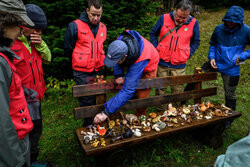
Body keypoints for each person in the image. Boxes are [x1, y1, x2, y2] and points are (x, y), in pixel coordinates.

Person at [10, 4, 51, 164]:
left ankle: (32, 160)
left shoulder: (36, 41)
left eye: (42, 30)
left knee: (36, 131)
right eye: (37, 29)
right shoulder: (11, 44)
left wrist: (40, 43)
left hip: (36, 96)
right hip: (21, 101)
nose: (39, 33)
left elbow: (48, 58)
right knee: (22, 135)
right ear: (24, 25)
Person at [94, 30, 159, 123]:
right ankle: (127, 100)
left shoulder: (140, 59)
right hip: (134, 59)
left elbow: (128, 90)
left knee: (142, 94)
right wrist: (118, 75)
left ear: (125, 56)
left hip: (148, 65)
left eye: (118, 61)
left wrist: (105, 112)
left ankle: (140, 115)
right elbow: (116, 59)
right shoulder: (120, 42)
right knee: (130, 83)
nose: (115, 63)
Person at [0, 0, 34, 166]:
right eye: (18, 24)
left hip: (19, 138)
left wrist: (21, 93)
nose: (22, 30)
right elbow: (2, 122)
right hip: (13, 147)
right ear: (3, 23)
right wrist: (15, 161)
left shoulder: (5, 55)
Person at [150, 0, 200, 111]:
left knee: (177, 89)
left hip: (179, 63)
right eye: (179, 17)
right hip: (162, 61)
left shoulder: (193, 23)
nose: (181, 20)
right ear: (175, 10)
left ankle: (175, 112)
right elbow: (153, 33)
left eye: (184, 18)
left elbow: (196, 41)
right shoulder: (164, 18)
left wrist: (187, 54)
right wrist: (156, 48)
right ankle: (159, 111)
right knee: (160, 88)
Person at [64, 0, 106, 126]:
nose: (96, 18)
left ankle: (98, 122)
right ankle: (88, 126)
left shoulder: (103, 27)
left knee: (98, 98)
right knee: (86, 100)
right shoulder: (75, 26)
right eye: (93, 14)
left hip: (98, 69)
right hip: (82, 71)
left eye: (99, 15)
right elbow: (68, 48)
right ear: (87, 10)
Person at [208, 6, 250, 111]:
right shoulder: (219, 29)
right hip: (216, 63)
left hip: (232, 68)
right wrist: (211, 57)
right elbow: (213, 44)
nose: (229, 23)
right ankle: (183, 103)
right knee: (195, 77)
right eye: (228, 20)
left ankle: (229, 117)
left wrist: (242, 56)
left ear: (239, 21)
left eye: (233, 21)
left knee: (230, 94)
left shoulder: (246, 31)